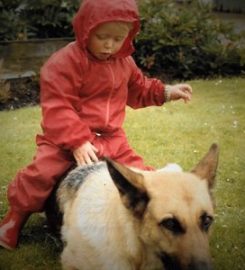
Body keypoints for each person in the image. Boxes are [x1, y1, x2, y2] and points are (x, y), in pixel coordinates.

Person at [0, 0, 192, 250]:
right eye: (102, 36)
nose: (110, 45)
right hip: (65, 138)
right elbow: (58, 106)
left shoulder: (124, 62)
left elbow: (139, 88)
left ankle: (155, 218)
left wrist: (166, 91)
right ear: (86, 29)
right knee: (42, 173)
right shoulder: (65, 62)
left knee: (137, 173)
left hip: (111, 138)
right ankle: (15, 218)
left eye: (118, 38)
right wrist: (78, 140)